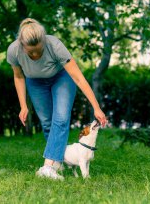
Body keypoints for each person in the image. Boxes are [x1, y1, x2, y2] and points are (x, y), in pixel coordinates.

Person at [7, 18, 107, 180]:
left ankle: (47, 167)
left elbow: (78, 78)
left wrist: (96, 107)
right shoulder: (14, 50)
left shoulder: (55, 46)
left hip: (62, 78)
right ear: (21, 44)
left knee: (60, 119)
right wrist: (23, 105)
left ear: (44, 41)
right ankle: (58, 162)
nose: (35, 55)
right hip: (35, 82)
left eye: (38, 51)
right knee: (47, 123)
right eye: (30, 52)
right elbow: (18, 77)